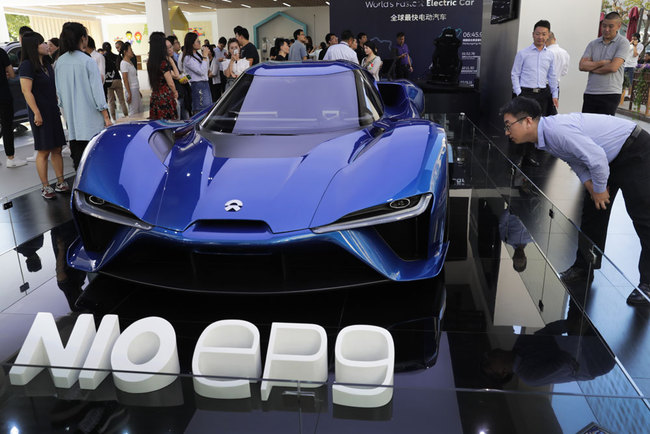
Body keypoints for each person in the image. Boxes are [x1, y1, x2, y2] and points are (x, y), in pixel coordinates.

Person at [501, 96, 650, 306]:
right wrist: (590, 184)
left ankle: (648, 284)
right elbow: (573, 158)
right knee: (592, 213)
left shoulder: (556, 131)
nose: (507, 132)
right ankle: (584, 267)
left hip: (634, 151)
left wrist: (599, 189)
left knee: (643, 218)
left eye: (509, 126)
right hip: (608, 157)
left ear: (527, 121)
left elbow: (596, 158)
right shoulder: (543, 137)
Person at [55, 22, 111, 170]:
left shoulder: (59, 62)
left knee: (79, 162)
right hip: (91, 122)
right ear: (83, 38)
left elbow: (59, 95)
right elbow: (97, 93)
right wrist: (106, 117)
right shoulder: (87, 61)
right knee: (96, 161)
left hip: (73, 124)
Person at [19, 31, 68, 199]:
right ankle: (46, 186)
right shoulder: (27, 65)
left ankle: (61, 182)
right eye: (43, 43)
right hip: (40, 113)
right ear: (34, 46)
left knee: (57, 148)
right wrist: (36, 113)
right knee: (44, 150)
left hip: (52, 110)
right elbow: (26, 91)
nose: (47, 45)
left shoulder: (47, 62)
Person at [579, 11, 629, 115]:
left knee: (605, 129)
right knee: (586, 127)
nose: (606, 29)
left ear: (619, 26)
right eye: (604, 26)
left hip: (610, 93)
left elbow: (613, 67)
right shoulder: (593, 44)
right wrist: (602, 62)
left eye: (611, 26)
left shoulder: (623, 43)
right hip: (590, 92)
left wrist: (591, 67)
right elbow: (582, 65)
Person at [510, 20, 559, 117]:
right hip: (526, 93)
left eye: (544, 34)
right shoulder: (523, 53)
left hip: (543, 94)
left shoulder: (550, 55)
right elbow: (515, 74)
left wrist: (555, 94)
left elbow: (552, 76)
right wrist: (519, 93)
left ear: (548, 35)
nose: (540, 37)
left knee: (540, 123)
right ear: (533, 34)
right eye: (537, 34)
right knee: (524, 122)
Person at [0, 47, 27, 168]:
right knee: (6, 126)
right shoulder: (1, 52)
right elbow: (11, 74)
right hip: (3, 95)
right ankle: (10, 158)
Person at [147, 32, 178, 120]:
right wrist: (175, 92)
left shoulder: (150, 62)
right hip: (165, 97)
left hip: (155, 96)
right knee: (168, 125)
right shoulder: (163, 62)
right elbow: (171, 82)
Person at [182, 32, 211, 114]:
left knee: (207, 109)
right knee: (201, 110)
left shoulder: (197, 55)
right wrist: (205, 56)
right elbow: (202, 71)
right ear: (191, 43)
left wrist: (205, 56)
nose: (200, 43)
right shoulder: (188, 58)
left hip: (204, 84)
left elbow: (206, 69)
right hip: (198, 86)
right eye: (198, 41)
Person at [102, 42, 128, 121]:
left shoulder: (103, 57)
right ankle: (126, 116)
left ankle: (114, 119)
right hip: (117, 78)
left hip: (109, 81)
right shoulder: (116, 56)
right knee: (122, 100)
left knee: (111, 101)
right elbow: (119, 67)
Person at [166, 36, 190, 120]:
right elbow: (177, 75)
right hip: (176, 94)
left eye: (171, 46)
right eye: (168, 47)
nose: (170, 49)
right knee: (179, 120)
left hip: (181, 92)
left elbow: (180, 73)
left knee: (186, 119)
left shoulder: (173, 59)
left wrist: (188, 77)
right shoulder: (166, 63)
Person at [119, 42, 142, 115]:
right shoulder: (123, 63)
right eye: (130, 50)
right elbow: (125, 80)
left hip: (135, 89)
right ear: (125, 52)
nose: (132, 51)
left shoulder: (130, 62)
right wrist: (129, 93)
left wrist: (138, 91)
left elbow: (133, 77)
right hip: (131, 90)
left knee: (140, 111)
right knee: (134, 112)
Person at [622, 32, 644, 103]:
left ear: (638, 39)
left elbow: (635, 55)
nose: (633, 39)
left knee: (630, 80)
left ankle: (629, 95)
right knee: (622, 79)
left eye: (634, 38)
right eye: (632, 38)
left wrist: (635, 46)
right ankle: (621, 94)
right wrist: (629, 44)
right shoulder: (630, 44)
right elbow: (624, 52)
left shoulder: (640, 45)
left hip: (632, 65)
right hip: (625, 64)